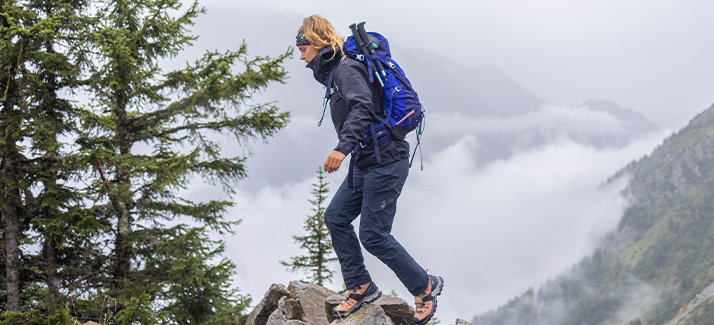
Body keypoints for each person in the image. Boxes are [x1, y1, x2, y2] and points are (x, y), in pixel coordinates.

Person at [296, 15, 444, 325]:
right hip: (366, 161)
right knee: (336, 216)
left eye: (302, 46)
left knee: (374, 235)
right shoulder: (335, 70)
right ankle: (361, 286)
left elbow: (362, 107)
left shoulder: (346, 69)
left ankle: (425, 287)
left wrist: (341, 148)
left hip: (386, 161)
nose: (300, 55)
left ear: (316, 42)